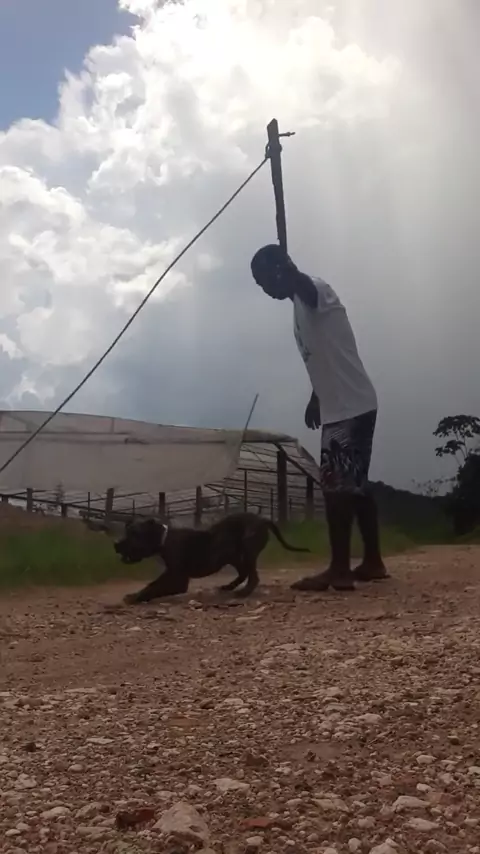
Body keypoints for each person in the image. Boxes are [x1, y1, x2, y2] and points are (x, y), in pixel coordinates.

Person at [250, 243, 388, 592]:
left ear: (281, 270)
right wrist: (316, 396)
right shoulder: (298, 306)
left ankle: (339, 570)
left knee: (336, 488)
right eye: (259, 284)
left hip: (348, 407)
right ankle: (373, 561)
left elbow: (307, 289)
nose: (265, 289)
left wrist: (290, 272)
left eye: (266, 280)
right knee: (356, 487)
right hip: (344, 403)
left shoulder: (314, 290)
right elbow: (325, 352)